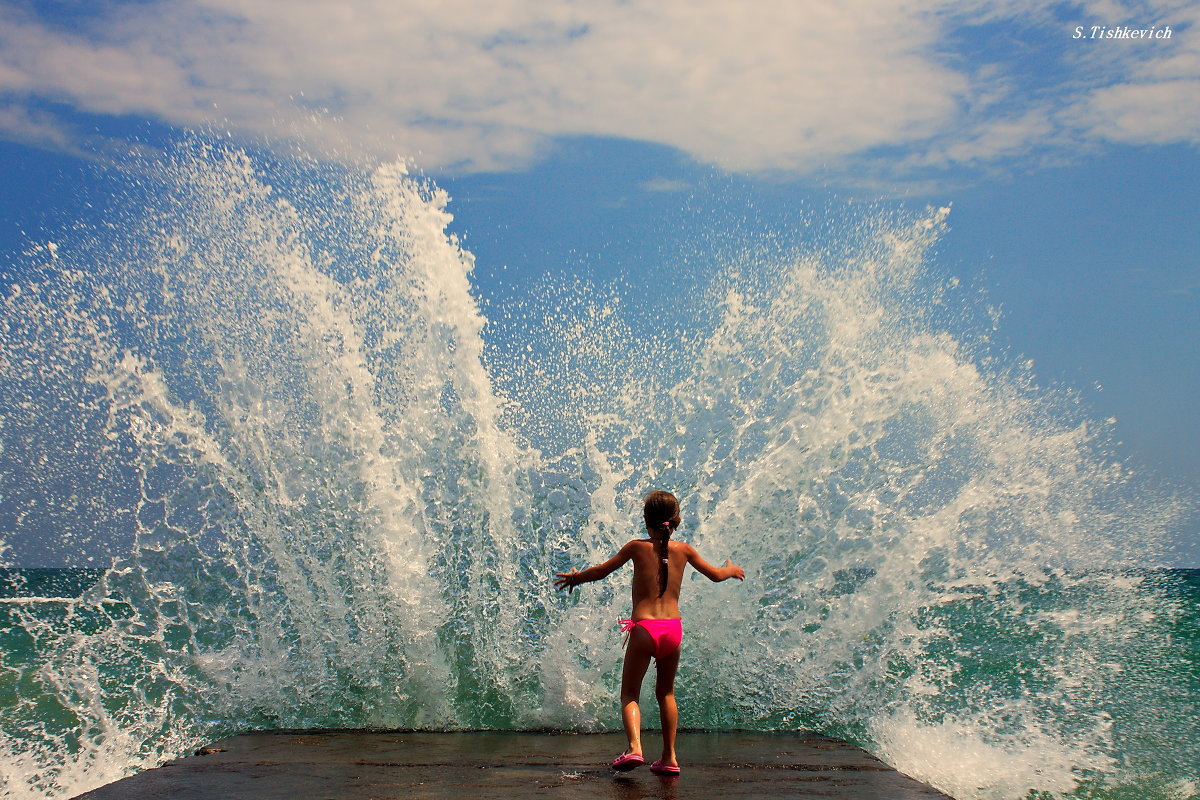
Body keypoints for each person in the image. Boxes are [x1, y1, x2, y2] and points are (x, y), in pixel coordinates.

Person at [554, 490, 745, 775]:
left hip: (644, 629)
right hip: (673, 629)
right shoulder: (685, 550)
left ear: (646, 521)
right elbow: (716, 575)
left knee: (630, 694)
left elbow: (602, 571)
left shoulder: (635, 547)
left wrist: (575, 577)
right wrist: (730, 569)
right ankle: (669, 758)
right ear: (676, 521)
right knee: (666, 693)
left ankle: (634, 749)